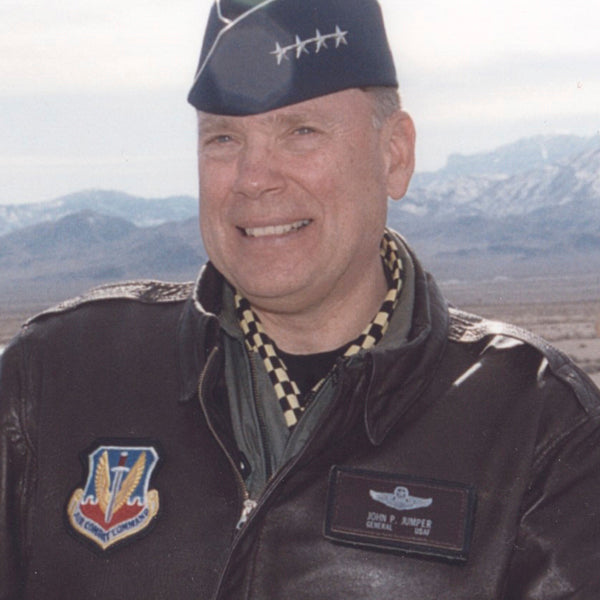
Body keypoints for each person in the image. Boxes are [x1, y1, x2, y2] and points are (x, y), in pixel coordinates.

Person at [2, 0, 600, 598]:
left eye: (301, 132)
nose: (253, 177)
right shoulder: (57, 379)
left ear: (394, 154)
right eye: (223, 137)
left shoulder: (536, 427)